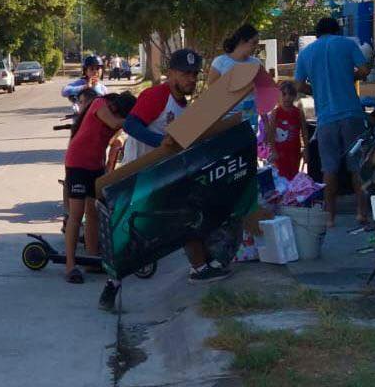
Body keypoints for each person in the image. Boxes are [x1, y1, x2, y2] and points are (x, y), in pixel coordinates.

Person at [103, 47, 231, 299]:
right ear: (171, 73)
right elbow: (131, 125)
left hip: (162, 174)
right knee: (133, 233)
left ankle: (200, 267)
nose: (191, 79)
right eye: (185, 73)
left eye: (194, 74)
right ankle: (112, 284)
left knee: (185, 216)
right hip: (139, 175)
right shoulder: (157, 95)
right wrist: (158, 141)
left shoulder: (184, 105)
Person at [295, 16, 372, 228]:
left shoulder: (306, 53)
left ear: (317, 34)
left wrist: (317, 90)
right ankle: (361, 213)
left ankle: (329, 217)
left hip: (326, 119)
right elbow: (364, 70)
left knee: (329, 168)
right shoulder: (347, 44)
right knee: (357, 165)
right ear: (337, 31)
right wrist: (349, 78)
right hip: (351, 114)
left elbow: (298, 85)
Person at [63, 92, 136, 284]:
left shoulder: (116, 115)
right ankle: (70, 265)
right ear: (115, 105)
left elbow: (114, 134)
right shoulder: (99, 104)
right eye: (118, 112)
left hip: (96, 166)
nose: (117, 114)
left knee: (93, 213)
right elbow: (113, 122)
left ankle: (92, 258)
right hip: (78, 164)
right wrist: (135, 120)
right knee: (76, 215)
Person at [207, 24, 262, 126]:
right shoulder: (220, 62)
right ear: (242, 41)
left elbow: (263, 93)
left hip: (250, 117)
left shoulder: (256, 63)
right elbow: (211, 92)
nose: (256, 47)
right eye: (254, 43)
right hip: (225, 119)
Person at [266, 80, 309, 180]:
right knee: (281, 178)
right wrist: (273, 151)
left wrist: (306, 150)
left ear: (294, 96)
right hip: (279, 152)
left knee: (293, 177)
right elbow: (271, 133)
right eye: (284, 94)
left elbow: (305, 132)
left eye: (290, 94)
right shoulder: (275, 113)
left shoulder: (298, 112)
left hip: (294, 151)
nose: (287, 97)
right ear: (278, 96)